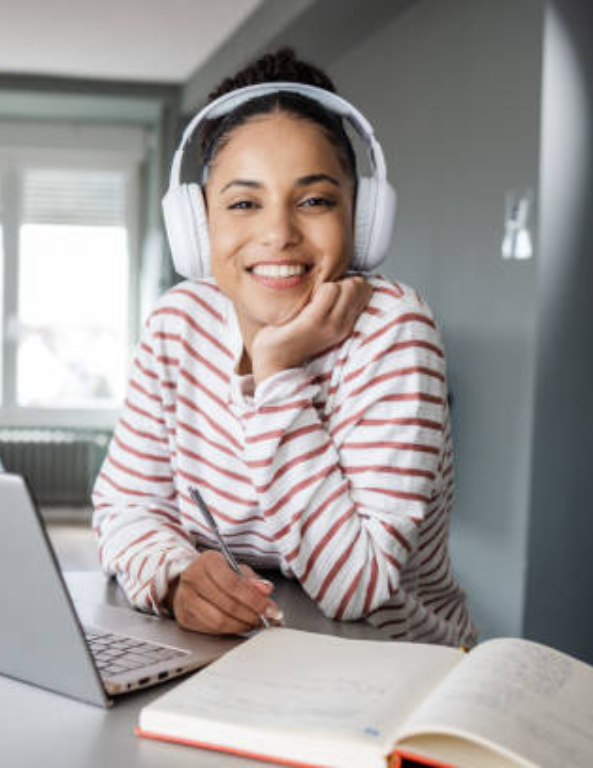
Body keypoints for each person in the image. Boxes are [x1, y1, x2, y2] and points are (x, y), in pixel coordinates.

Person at [92, 48, 477, 647]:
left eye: (315, 200)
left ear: (363, 217)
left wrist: (277, 370)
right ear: (198, 227)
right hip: (229, 661)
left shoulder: (395, 328)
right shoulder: (177, 323)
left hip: (387, 672)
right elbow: (124, 507)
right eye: (244, 203)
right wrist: (175, 577)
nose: (278, 234)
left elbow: (357, 588)